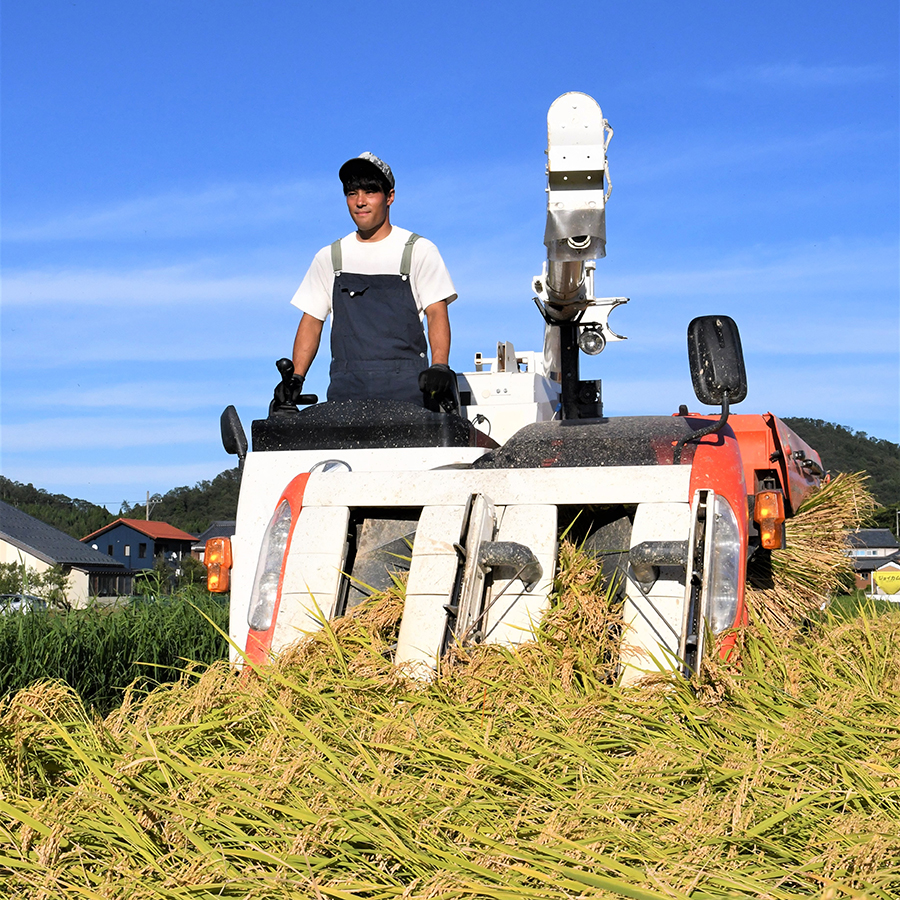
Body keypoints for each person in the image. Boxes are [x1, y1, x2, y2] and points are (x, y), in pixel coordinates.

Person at [288, 152, 458, 406]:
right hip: (346, 397)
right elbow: (312, 321)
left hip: (410, 396)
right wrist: (295, 379)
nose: (360, 201)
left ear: (390, 197)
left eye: (370, 191)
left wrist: (440, 366)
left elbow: (436, 313)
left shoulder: (417, 250)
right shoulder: (331, 257)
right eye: (352, 193)